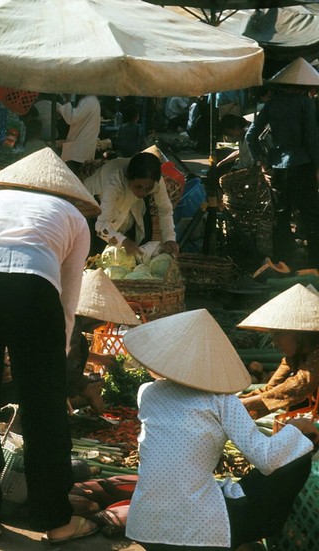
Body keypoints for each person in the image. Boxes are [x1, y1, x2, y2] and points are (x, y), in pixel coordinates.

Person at [0, 147, 101, 543]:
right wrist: (62, 352)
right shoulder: (73, 218)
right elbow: (68, 299)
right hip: (33, 289)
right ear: (66, 191)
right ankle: (56, 521)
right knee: (44, 408)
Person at [123, 309, 317, 551]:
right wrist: (296, 431)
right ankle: (246, 537)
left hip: (146, 526)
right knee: (293, 460)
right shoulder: (221, 401)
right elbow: (266, 458)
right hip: (200, 532)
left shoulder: (147, 392)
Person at [246, 57, 319, 270]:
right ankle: (314, 263)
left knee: (280, 216)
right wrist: (317, 167)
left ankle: (282, 262)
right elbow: (311, 139)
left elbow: (251, 137)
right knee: (311, 216)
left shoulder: (271, 105)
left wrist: (262, 163)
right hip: (302, 166)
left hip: (277, 168)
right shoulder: (305, 103)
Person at [236, 284, 319, 419]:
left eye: (278, 334)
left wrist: (244, 404)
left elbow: (297, 386)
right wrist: (236, 403)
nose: (275, 341)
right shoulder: (292, 358)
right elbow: (272, 390)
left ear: (298, 334)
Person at [69, 267, 141, 412]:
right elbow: (68, 367)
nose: (102, 324)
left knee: (82, 343)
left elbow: (70, 351)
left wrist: (100, 359)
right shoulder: (71, 323)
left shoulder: (72, 322)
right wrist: (88, 390)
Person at [83, 151, 178, 257]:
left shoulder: (155, 181)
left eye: (148, 189)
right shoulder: (115, 180)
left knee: (139, 244)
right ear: (128, 178)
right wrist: (124, 242)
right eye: (138, 187)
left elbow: (165, 210)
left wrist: (169, 238)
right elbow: (101, 226)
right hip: (94, 204)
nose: (142, 193)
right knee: (96, 251)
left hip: (127, 205)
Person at [56, 94, 101, 174]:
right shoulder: (90, 100)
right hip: (81, 150)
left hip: (79, 152)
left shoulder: (89, 100)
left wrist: (67, 99)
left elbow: (70, 118)